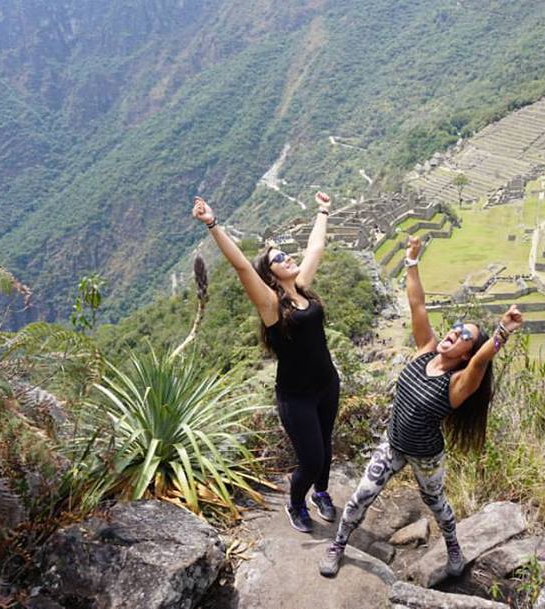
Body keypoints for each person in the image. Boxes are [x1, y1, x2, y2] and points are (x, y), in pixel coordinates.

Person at [318, 235, 524, 578]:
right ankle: (338, 545)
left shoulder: (459, 383)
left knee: (436, 502)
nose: (454, 333)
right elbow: (418, 305)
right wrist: (411, 260)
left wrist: (502, 331)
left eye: (465, 337)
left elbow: (481, 362)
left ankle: (454, 548)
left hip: (426, 456)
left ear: (467, 355)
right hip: (393, 443)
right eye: (456, 328)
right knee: (362, 494)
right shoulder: (425, 348)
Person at [192, 192, 340, 533]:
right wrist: (212, 224)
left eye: (286, 254)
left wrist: (323, 210)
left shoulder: (303, 289)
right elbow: (243, 266)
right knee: (311, 459)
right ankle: (296, 503)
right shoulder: (272, 305)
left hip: (327, 384)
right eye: (279, 258)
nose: (288, 258)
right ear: (270, 275)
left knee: (326, 444)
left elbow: (316, 247)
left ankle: (321, 492)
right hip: (296, 396)